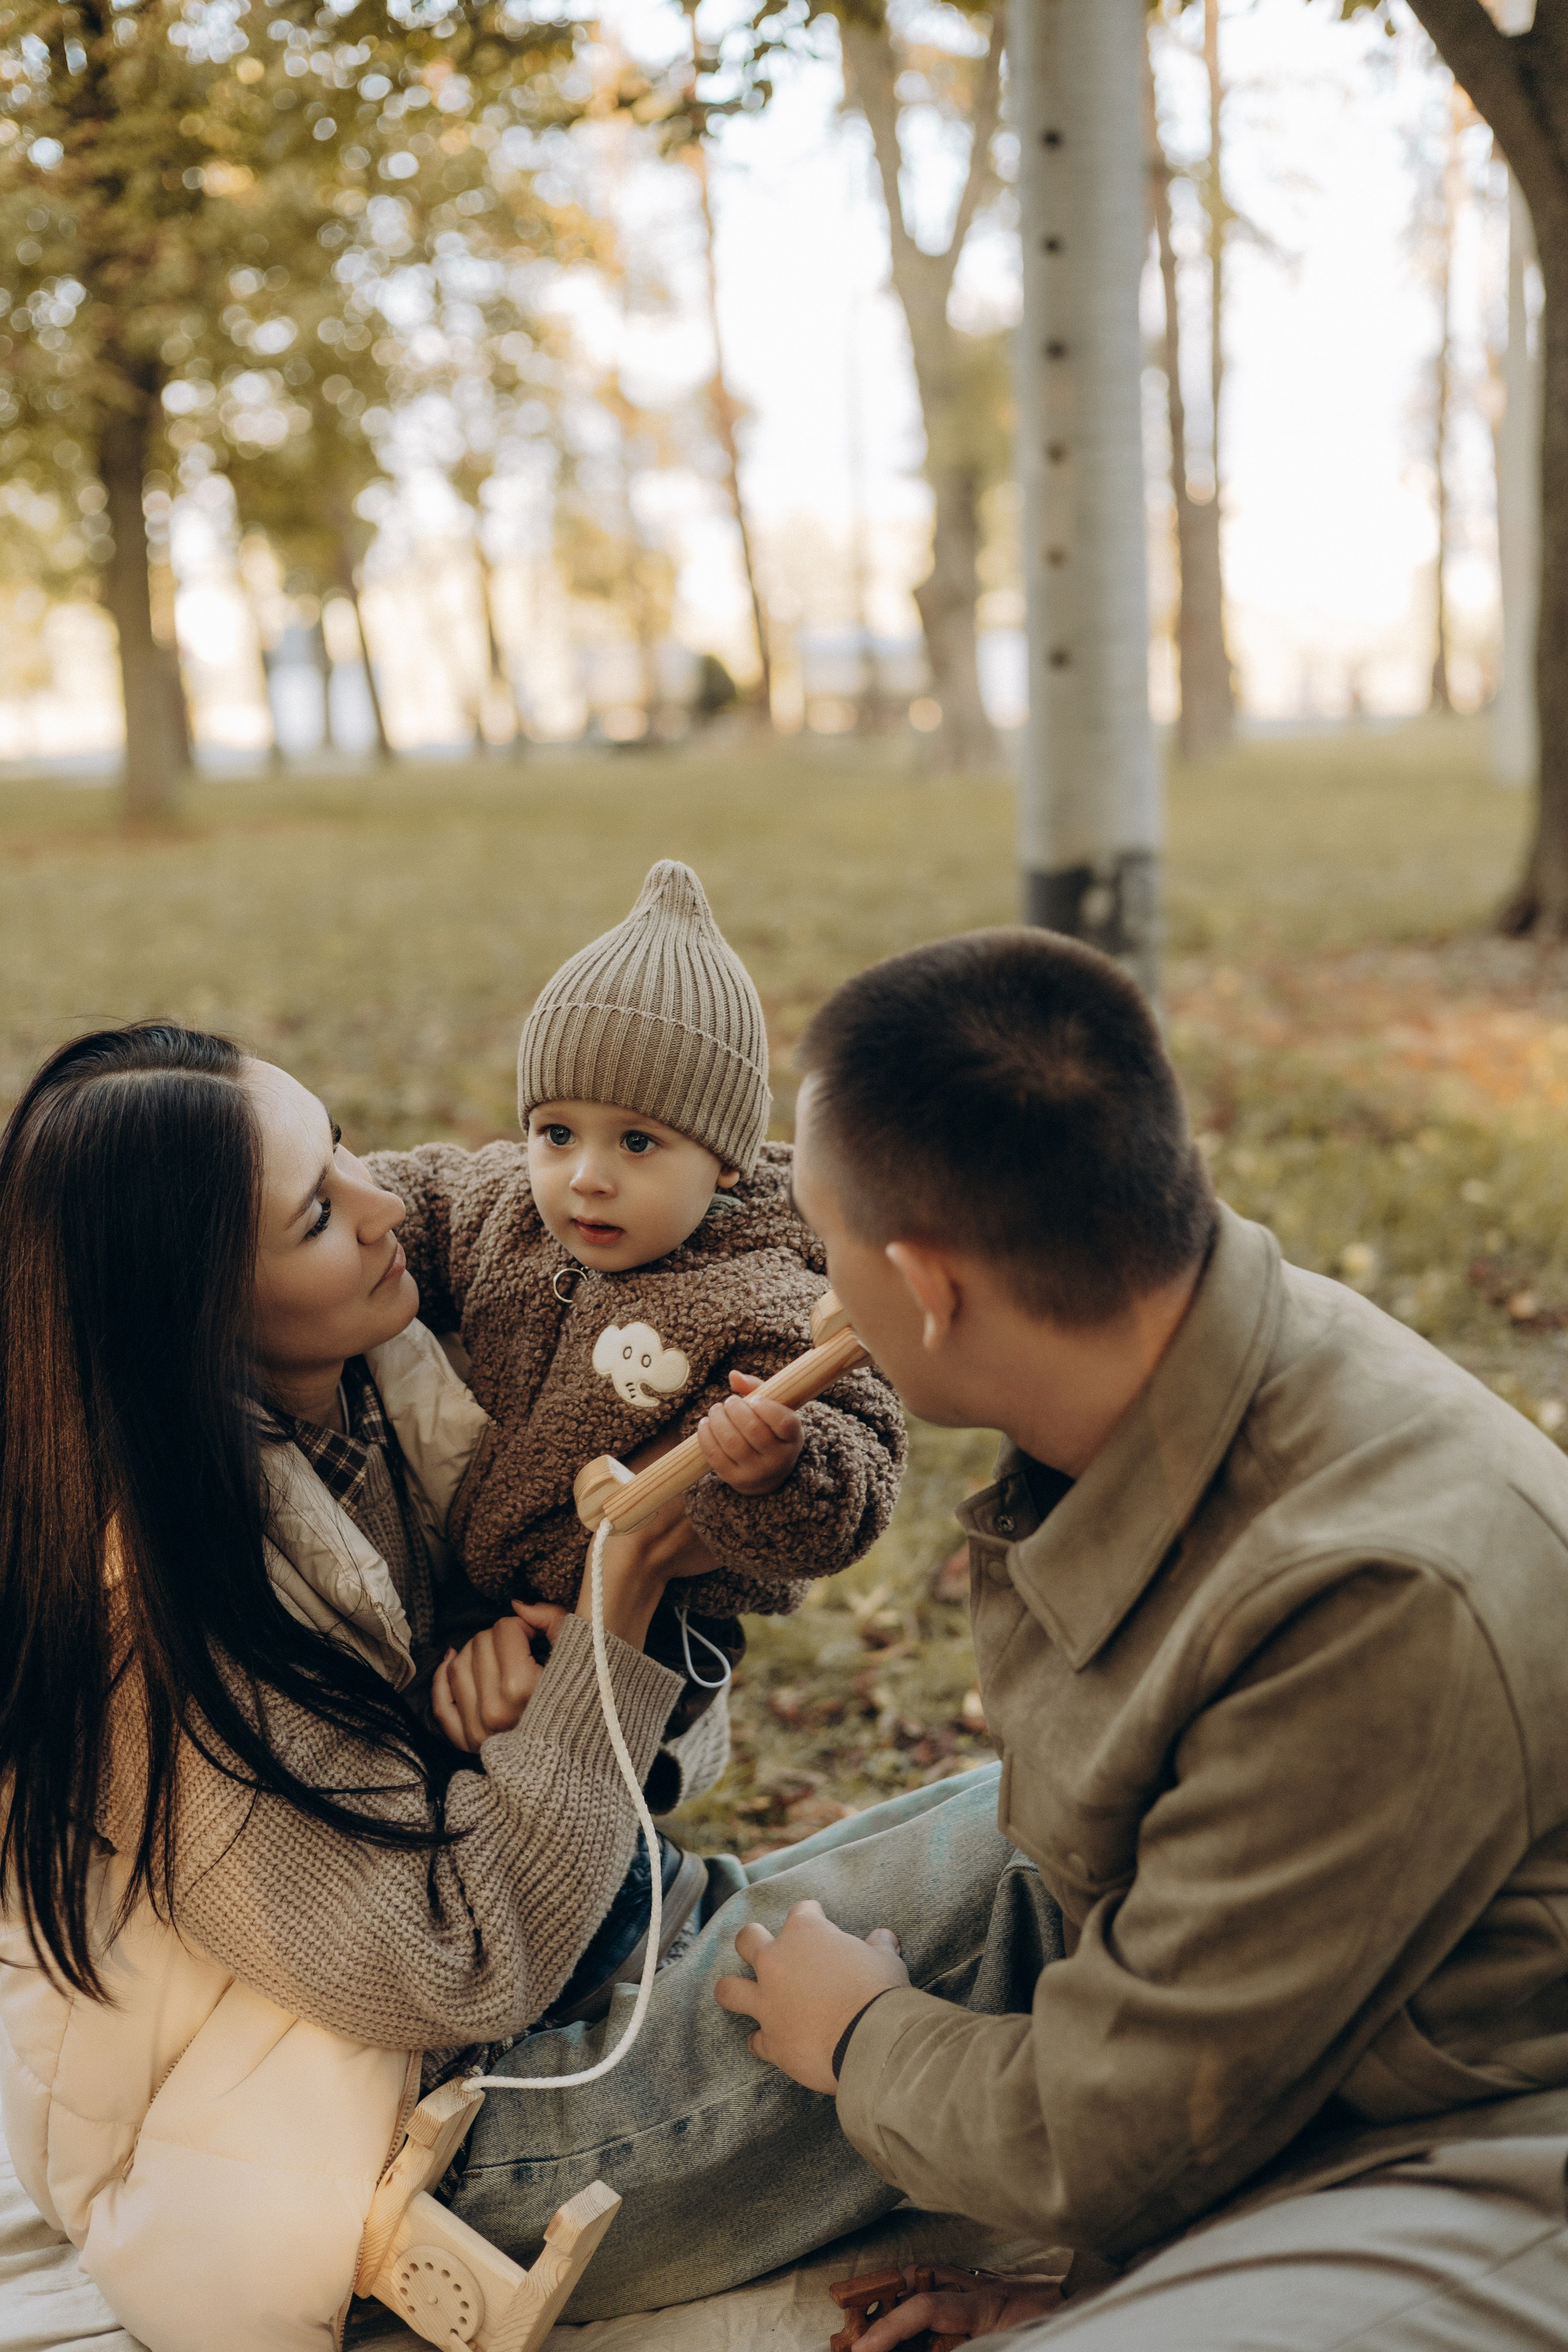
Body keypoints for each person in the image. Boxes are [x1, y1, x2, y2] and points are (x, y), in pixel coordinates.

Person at [0, 1020, 1041, 2352]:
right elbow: (449, 1970)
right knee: (1024, 1883)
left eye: (348, 1156)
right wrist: (612, 1610)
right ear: (194, 1317)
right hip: (411, 2150)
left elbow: (642, 1766)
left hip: (608, 1936)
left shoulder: (396, 1396)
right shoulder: (154, 1629)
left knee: (1043, 1803)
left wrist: (542, 1675)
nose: (390, 1211)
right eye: (319, 1213)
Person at [715, 927, 1568, 2351]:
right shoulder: (1172, 1343)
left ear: (928, 1288)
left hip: (1487, 2145)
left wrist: (864, 2040)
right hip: (1313, 2068)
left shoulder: (1372, 1599)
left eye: (825, 1237)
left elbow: (1126, 2126)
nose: (817, 1291)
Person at [366, 858, 906, 1753]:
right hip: (479, 1568)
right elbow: (413, 1196)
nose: (586, 1177)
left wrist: (777, 1469)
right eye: (558, 1132)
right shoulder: (505, 1206)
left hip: (650, 1622)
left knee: (533, 1752)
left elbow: (855, 1474)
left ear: (725, 1160)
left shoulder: (769, 1290)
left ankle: (622, 1825)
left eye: (639, 1142)